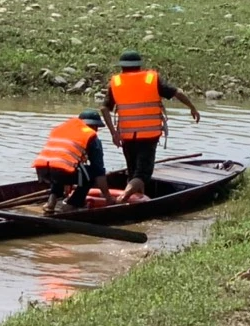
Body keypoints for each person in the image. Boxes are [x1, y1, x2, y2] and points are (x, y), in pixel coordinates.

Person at [100, 50, 201, 202]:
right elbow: (177, 92)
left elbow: (104, 108)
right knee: (142, 175)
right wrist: (192, 107)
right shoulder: (151, 78)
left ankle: (137, 201)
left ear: (122, 67)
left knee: (133, 172)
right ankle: (123, 198)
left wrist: (114, 133)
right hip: (149, 135)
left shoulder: (116, 82)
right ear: (140, 66)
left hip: (127, 136)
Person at [33, 109, 114, 214]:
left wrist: (67, 181)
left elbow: (60, 158)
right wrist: (108, 198)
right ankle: (73, 204)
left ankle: (51, 202)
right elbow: (99, 172)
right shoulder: (92, 138)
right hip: (59, 171)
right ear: (95, 127)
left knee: (59, 168)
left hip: (42, 170)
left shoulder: (62, 130)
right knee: (92, 174)